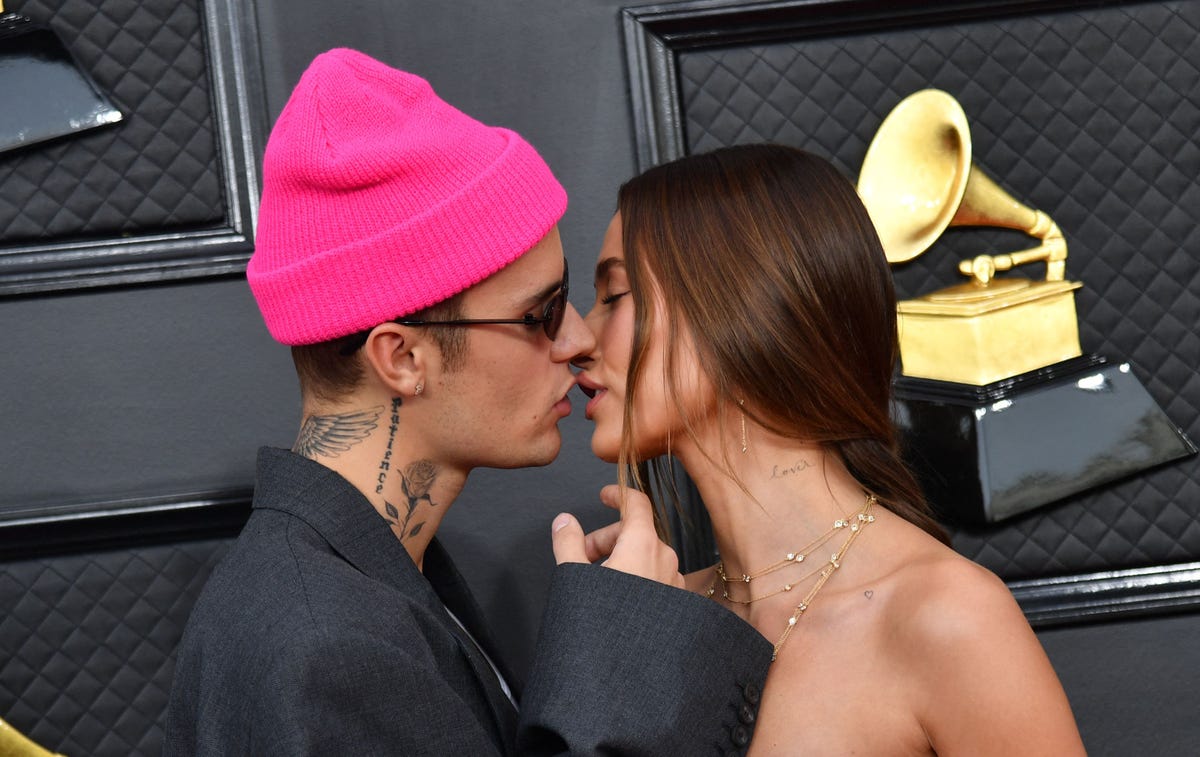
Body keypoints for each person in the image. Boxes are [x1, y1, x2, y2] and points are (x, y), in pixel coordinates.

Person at [163, 49, 772, 756]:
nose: (577, 337)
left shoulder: (361, 578)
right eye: (540, 312)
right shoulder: (326, 648)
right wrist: (622, 653)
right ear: (403, 357)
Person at [572, 143, 1087, 755]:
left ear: (739, 310)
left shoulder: (945, 616)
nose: (578, 335)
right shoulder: (668, 617)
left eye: (613, 296)